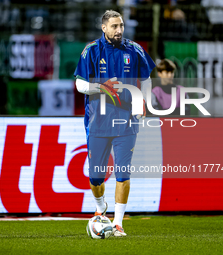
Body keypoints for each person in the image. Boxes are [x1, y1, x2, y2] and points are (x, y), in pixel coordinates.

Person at [74, 10, 155, 237]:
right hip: (98, 121)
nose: (119, 30)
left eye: (121, 26)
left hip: (126, 120)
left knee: (123, 172)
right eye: (114, 26)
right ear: (104, 28)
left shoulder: (134, 49)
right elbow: (80, 85)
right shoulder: (91, 51)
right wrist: (101, 88)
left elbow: (147, 78)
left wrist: (142, 102)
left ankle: (118, 224)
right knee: (95, 177)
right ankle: (101, 208)